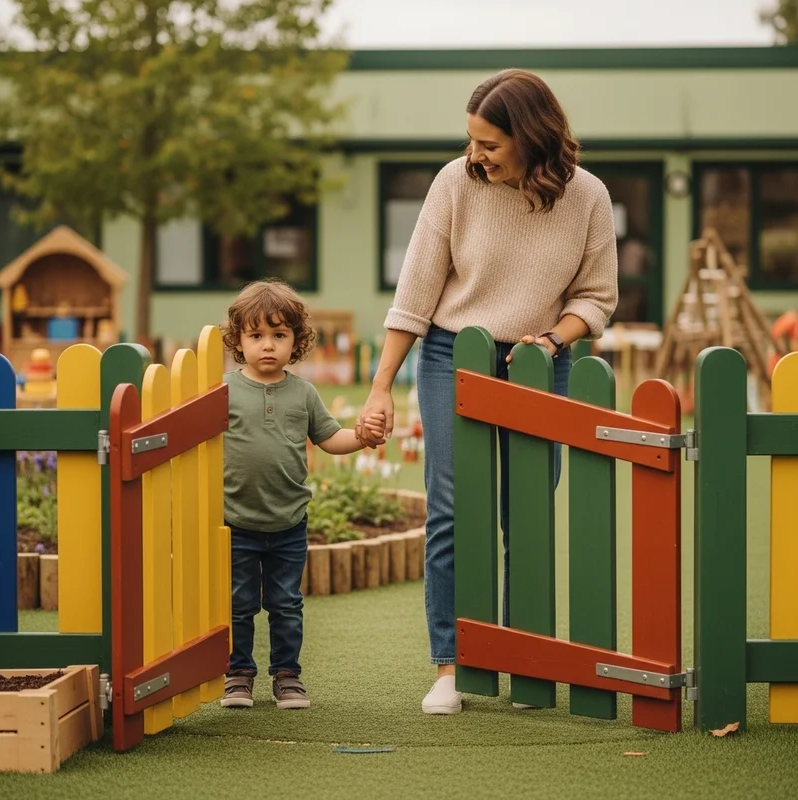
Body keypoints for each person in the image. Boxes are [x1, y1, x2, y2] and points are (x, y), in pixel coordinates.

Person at [357, 69, 619, 715]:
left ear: (532, 139)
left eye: (490, 145)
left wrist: (554, 341)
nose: (475, 155)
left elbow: (597, 296)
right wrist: (381, 385)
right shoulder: (455, 183)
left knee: (526, 510)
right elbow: (416, 290)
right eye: (471, 141)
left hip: (541, 361)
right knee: (452, 509)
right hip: (453, 355)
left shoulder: (587, 197)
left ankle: (523, 658)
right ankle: (451, 666)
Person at [219, 278, 385, 709]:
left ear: (297, 339)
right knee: (238, 605)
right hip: (236, 520)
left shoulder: (303, 393)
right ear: (239, 340)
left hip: (289, 522)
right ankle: (238, 674)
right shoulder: (224, 391)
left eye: (279, 335)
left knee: (286, 605)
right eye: (256, 336)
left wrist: (363, 438)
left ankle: (287, 675)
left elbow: (330, 438)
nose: (268, 345)